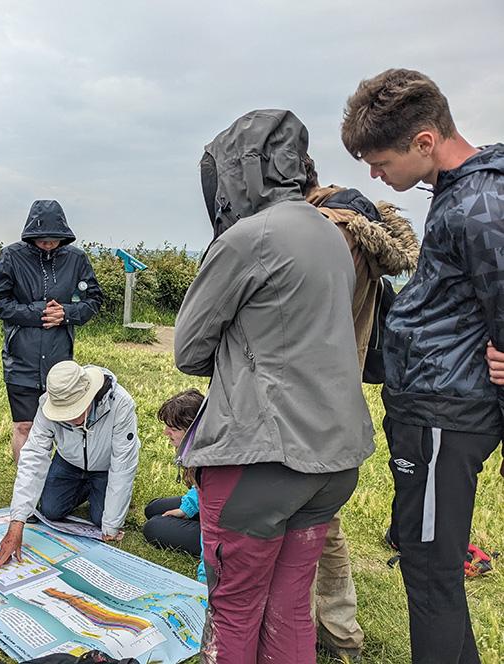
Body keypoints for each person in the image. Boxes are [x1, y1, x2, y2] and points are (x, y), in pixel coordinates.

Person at [175, 109, 375, 663]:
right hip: (333, 458)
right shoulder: (330, 232)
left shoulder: (249, 237)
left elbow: (189, 350)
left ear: (241, 171)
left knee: (234, 610)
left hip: (261, 458)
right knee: (289, 608)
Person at [341, 68, 504, 663]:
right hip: (430, 402)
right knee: (424, 559)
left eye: (380, 161)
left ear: (425, 141)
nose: (375, 175)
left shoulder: (482, 204)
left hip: (447, 410)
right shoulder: (456, 191)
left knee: (431, 568)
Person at [303, 155, 420, 661]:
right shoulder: (355, 221)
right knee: (323, 519)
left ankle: (305, 629)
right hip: (339, 393)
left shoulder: (327, 228)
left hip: (309, 395)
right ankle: (340, 630)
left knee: (302, 521)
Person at [0, 199, 103, 461]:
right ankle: (27, 487)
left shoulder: (77, 259)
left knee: (62, 423)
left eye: (54, 239)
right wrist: (37, 313)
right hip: (20, 358)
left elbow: (93, 301)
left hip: (60, 358)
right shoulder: (11, 256)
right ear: (31, 235)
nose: (48, 244)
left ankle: (58, 484)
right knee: (24, 425)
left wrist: (67, 314)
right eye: (42, 239)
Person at [0, 361, 140, 568]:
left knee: (103, 520)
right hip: (68, 462)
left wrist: (111, 526)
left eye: (74, 410)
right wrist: (17, 524)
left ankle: (97, 491)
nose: (70, 419)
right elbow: (33, 459)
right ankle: (85, 489)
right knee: (50, 509)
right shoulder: (46, 404)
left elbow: (123, 466)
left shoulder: (121, 404)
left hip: (105, 467)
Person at [142, 389, 206, 583]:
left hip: (226, 527)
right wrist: (186, 509)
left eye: (173, 428)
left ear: (192, 430)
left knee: (154, 527)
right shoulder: (199, 448)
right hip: (209, 504)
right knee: (153, 508)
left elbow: (218, 520)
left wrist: (205, 578)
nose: (165, 432)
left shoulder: (212, 464)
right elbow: (201, 490)